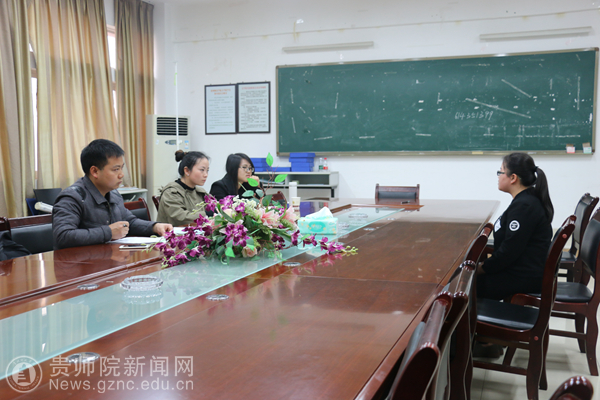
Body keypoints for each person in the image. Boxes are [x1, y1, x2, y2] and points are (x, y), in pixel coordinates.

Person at [53, 139, 172, 249]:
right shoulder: (72, 197)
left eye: (121, 168)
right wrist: (108, 232)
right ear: (95, 171)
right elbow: (63, 236)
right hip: (80, 262)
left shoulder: (113, 193)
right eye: (116, 169)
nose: (121, 175)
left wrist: (154, 227)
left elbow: (129, 222)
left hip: (108, 257)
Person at [478, 152, 554, 300]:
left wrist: (482, 268)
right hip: (517, 270)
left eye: (501, 172)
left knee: (462, 286)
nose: (498, 176)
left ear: (513, 178)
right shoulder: (525, 200)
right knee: (465, 281)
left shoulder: (524, 206)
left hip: (522, 277)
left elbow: (509, 251)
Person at [156, 150, 210, 226]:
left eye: (207, 170)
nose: (206, 175)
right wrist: (207, 214)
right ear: (187, 171)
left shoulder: (200, 192)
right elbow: (180, 218)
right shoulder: (171, 192)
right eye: (202, 170)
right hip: (173, 233)